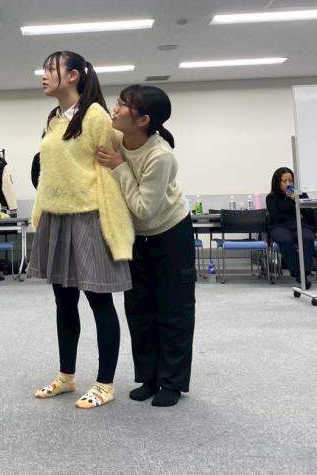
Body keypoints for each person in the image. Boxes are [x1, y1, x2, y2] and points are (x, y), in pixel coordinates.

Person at [28, 51, 134, 410]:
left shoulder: (96, 116)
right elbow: (49, 172)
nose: (44, 75)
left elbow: (112, 166)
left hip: (88, 216)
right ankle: (67, 376)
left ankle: (105, 384)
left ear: (73, 75)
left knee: (99, 301)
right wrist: (41, 211)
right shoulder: (55, 118)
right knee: (64, 301)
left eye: (51, 69)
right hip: (56, 216)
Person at [97, 85, 195, 408]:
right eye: (119, 102)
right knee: (139, 309)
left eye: (124, 105)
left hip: (170, 233)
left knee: (173, 309)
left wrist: (120, 168)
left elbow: (144, 209)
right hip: (137, 238)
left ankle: (172, 383)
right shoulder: (117, 139)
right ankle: (149, 378)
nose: (116, 108)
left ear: (143, 120)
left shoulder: (160, 155)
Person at [266, 167, 315, 289]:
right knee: (285, 240)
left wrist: (297, 200)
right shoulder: (271, 197)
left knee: (307, 237)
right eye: (284, 181)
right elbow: (276, 217)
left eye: (290, 180)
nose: (288, 184)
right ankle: (298, 273)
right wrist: (293, 214)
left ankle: (305, 272)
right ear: (277, 182)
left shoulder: (301, 194)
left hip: (300, 224)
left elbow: (310, 214)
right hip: (280, 226)